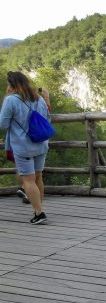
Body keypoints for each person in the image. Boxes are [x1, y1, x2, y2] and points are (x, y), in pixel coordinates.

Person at [1, 72, 51, 224]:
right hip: (41, 144)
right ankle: (39, 208)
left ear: (12, 85)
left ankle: (39, 212)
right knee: (38, 177)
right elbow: (48, 118)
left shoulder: (10, 101)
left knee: (28, 180)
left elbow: (2, 124)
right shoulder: (39, 98)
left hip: (23, 147)